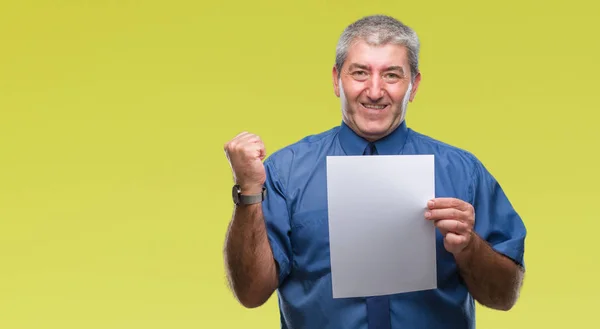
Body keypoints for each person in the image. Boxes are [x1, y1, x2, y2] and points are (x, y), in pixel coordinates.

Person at [222, 14, 526, 329]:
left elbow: (504, 297)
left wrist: (469, 246)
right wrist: (248, 191)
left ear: (414, 85)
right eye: (360, 73)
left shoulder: (464, 172)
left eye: (392, 75)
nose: (375, 90)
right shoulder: (284, 173)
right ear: (336, 80)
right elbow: (251, 293)